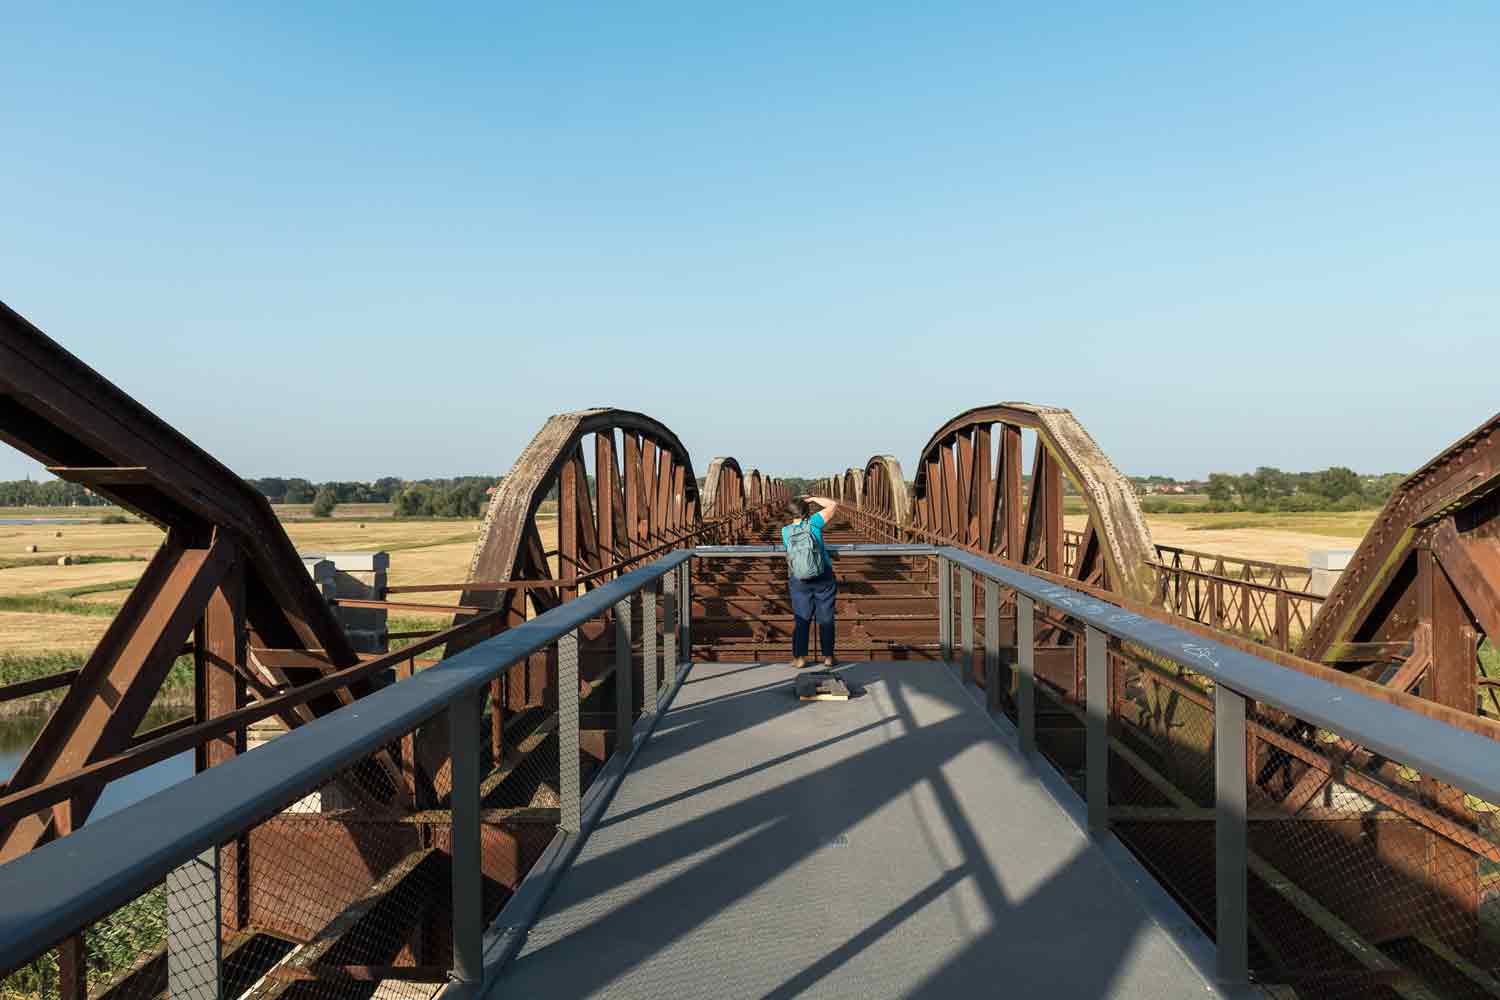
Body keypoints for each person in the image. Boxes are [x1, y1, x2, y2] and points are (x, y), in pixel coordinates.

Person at [782, 495, 839, 669]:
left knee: (802, 618)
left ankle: (799, 658)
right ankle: (828, 657)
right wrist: (812, 498)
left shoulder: (785, 531)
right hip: (823, 576)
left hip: (799, 579)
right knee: (826, 617)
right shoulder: (814, 523)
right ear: (807, 511)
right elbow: (833, 504)